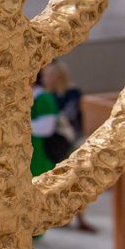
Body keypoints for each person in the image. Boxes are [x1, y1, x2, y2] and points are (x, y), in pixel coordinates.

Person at [41, 62, 97, 232]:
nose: (46, 78)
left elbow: (69, 115)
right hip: (54, 142)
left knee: (77, 178)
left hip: (72, 140)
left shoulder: (71, 93)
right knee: (56, 180)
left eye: (49, 75)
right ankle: (59, 215)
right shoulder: (45, 95)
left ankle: (79, 217)